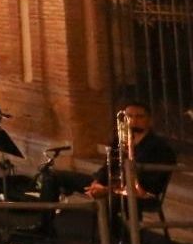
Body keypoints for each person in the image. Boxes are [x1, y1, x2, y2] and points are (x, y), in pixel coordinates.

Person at [36, 100, 177, 234]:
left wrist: (108, 190)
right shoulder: (120, 139)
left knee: (112, 200)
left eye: (139, 116)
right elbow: (107, 165)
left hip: (138, 194)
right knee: (52, 176)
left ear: (149, 120)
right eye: (129, 116)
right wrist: (97, 183)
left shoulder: (160, 147)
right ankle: (45, 227)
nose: (133, 121)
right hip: (111, 186)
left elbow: (150, 183)